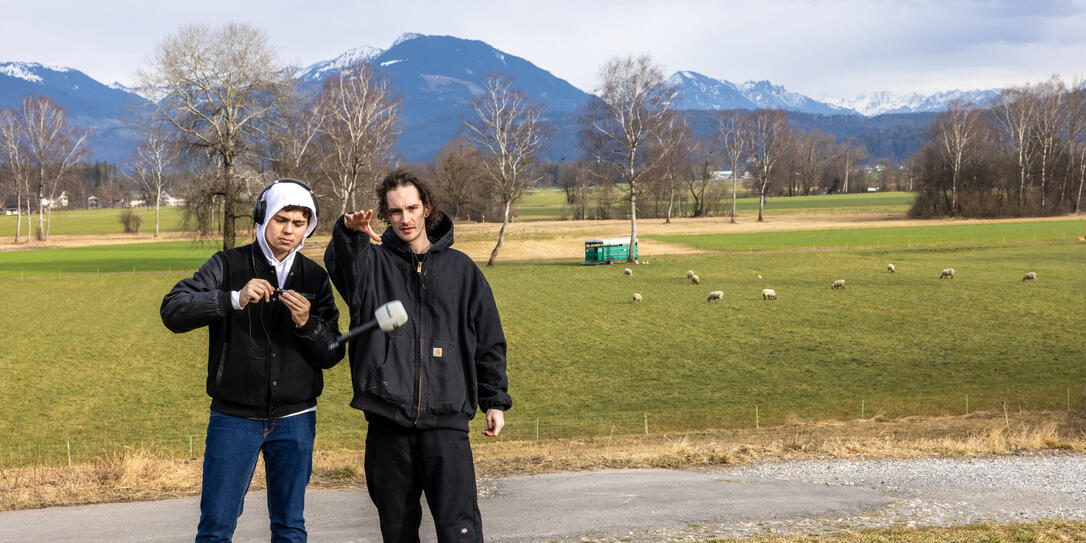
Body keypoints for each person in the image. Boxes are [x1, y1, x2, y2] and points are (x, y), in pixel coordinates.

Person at [324, 168, 511, 543]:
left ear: (427, 208)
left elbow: (488, 339)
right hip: (388, 420)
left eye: (411, 208)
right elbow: (342, 266)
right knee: (397, 532)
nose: (405, 219)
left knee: (459, 529)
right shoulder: (372, 266)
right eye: (395, 212)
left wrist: (495, 400)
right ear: (385, 215)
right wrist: (348, 234)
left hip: (447, 422)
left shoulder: (463, 271)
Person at [161, 178, 345, 542]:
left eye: (298, 223)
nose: (289, 231)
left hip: (296, 418)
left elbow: (333, 353)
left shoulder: (315, 277)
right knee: (216, 528)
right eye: (281, 220)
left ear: (308, 226)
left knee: (290, 527)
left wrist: (308, 324)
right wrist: (232, 298)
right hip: (234, 417)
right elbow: (173, 309)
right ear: (262, 218)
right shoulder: (227, 265)